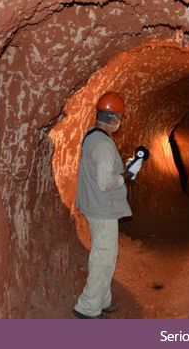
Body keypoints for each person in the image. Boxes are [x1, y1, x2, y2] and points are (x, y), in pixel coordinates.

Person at [73, 92, 143, 319]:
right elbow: (105, 182)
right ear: (113, 118)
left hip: (95, 206)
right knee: (102, 257)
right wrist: (125, 176)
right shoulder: (103, 145)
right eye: (119, 117)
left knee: (107, 255)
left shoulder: (92, 136)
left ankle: (103, 301)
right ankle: (87, 307)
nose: (119, 122)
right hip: (102, 210)